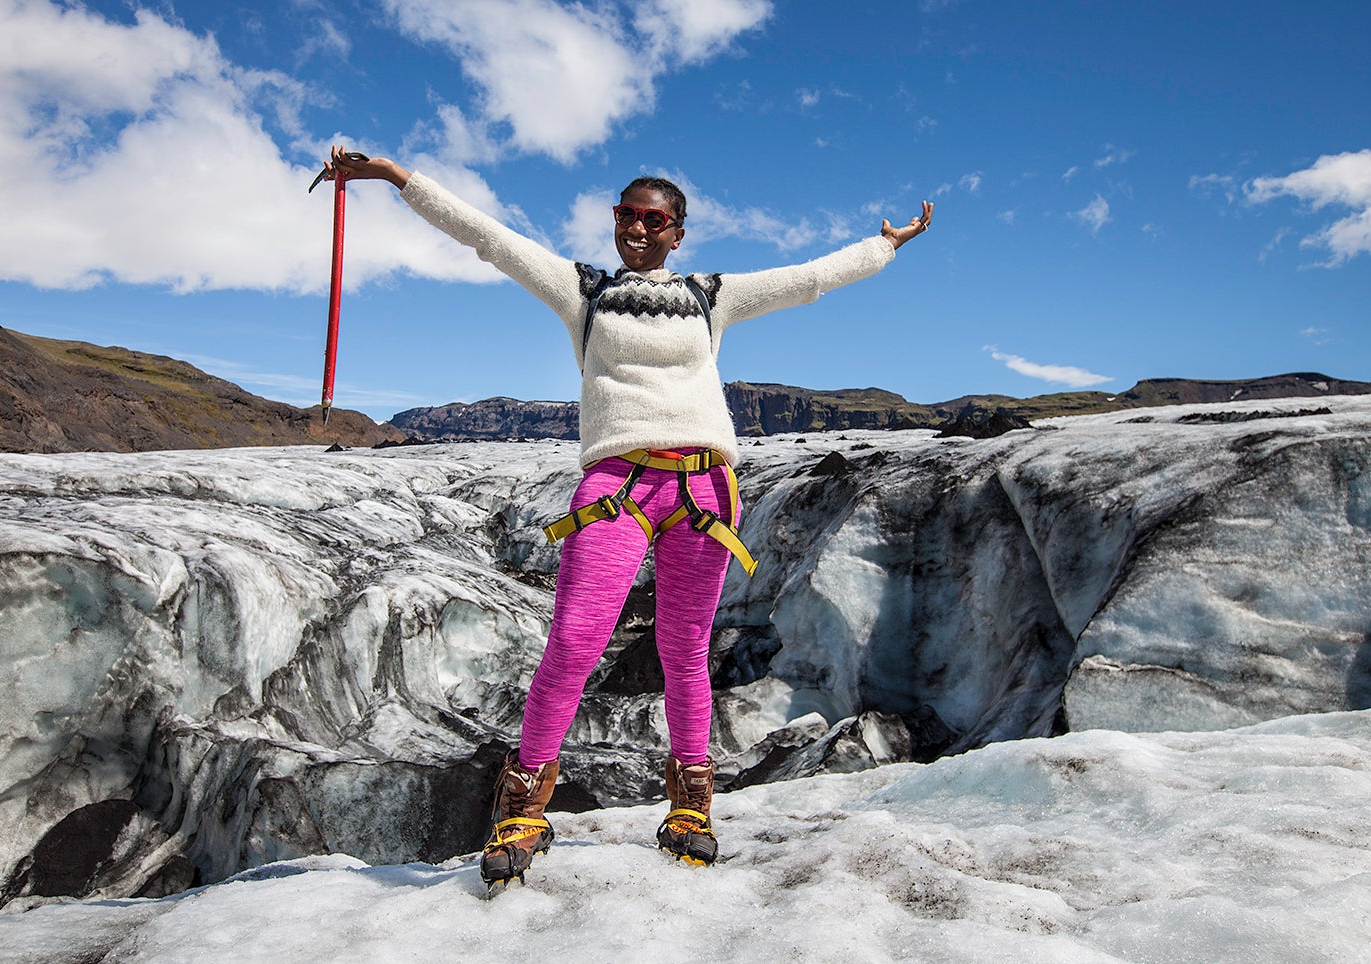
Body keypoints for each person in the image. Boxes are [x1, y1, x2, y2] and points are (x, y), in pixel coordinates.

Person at [323, 147, 932, 887]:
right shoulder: (585, 292)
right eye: (625, 215)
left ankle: (690, 809)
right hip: (615, 485)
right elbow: (489, 237)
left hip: (704, 492)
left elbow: (806, 280)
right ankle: (523, 807)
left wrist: (884, 246)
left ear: (678, 232)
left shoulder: (713, 296)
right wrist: (395, 177)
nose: (636, 228)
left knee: (683, 650)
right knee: (576, 641)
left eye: (654, 218)